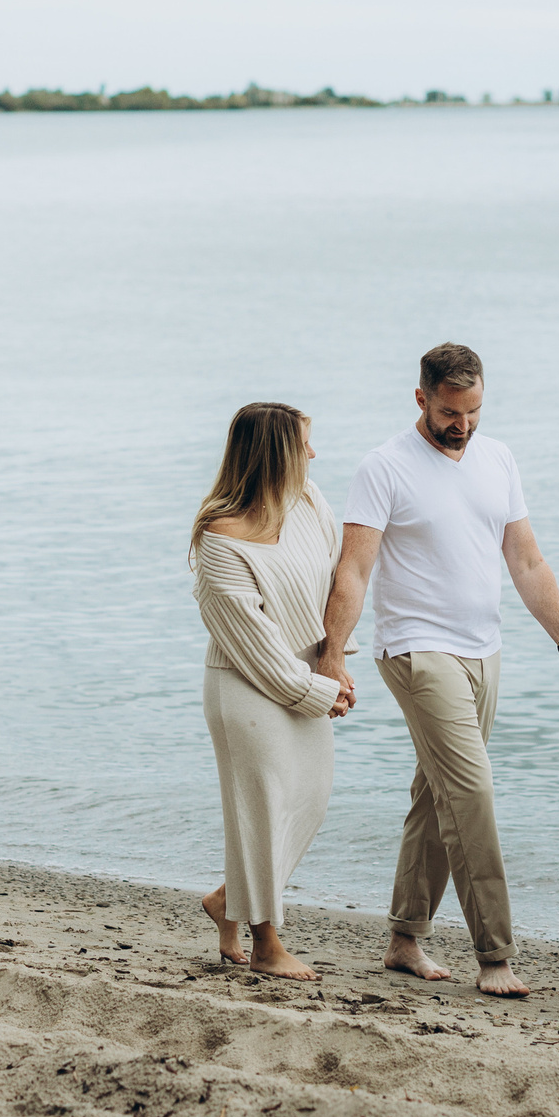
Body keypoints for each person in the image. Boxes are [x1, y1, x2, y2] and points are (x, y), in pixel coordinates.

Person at [320, 342, 559, 997]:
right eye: (449, 411)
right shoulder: (384, 467)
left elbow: (526, 562)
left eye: (473, 410)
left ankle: (404, 936)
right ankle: (495, 952)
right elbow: (353, 568)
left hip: (484, 651)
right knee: (471, 792)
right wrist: (332, 651)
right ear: (421, 398)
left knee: (436, 792)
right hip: (415, 648)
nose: (462, 425)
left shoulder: (497, 458)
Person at [193, 401, 357, 981]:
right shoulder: (220, 538)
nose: (313, 453)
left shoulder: (310, 503)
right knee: (260, 810)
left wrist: (335, 660)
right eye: (304, 443)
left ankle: (226, 900)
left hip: (306, 678)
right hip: (245, 688)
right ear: (275, 452)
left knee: (307, 804)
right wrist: (316, 691)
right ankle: (265, 944)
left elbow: (336, 582)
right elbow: (256, 646)